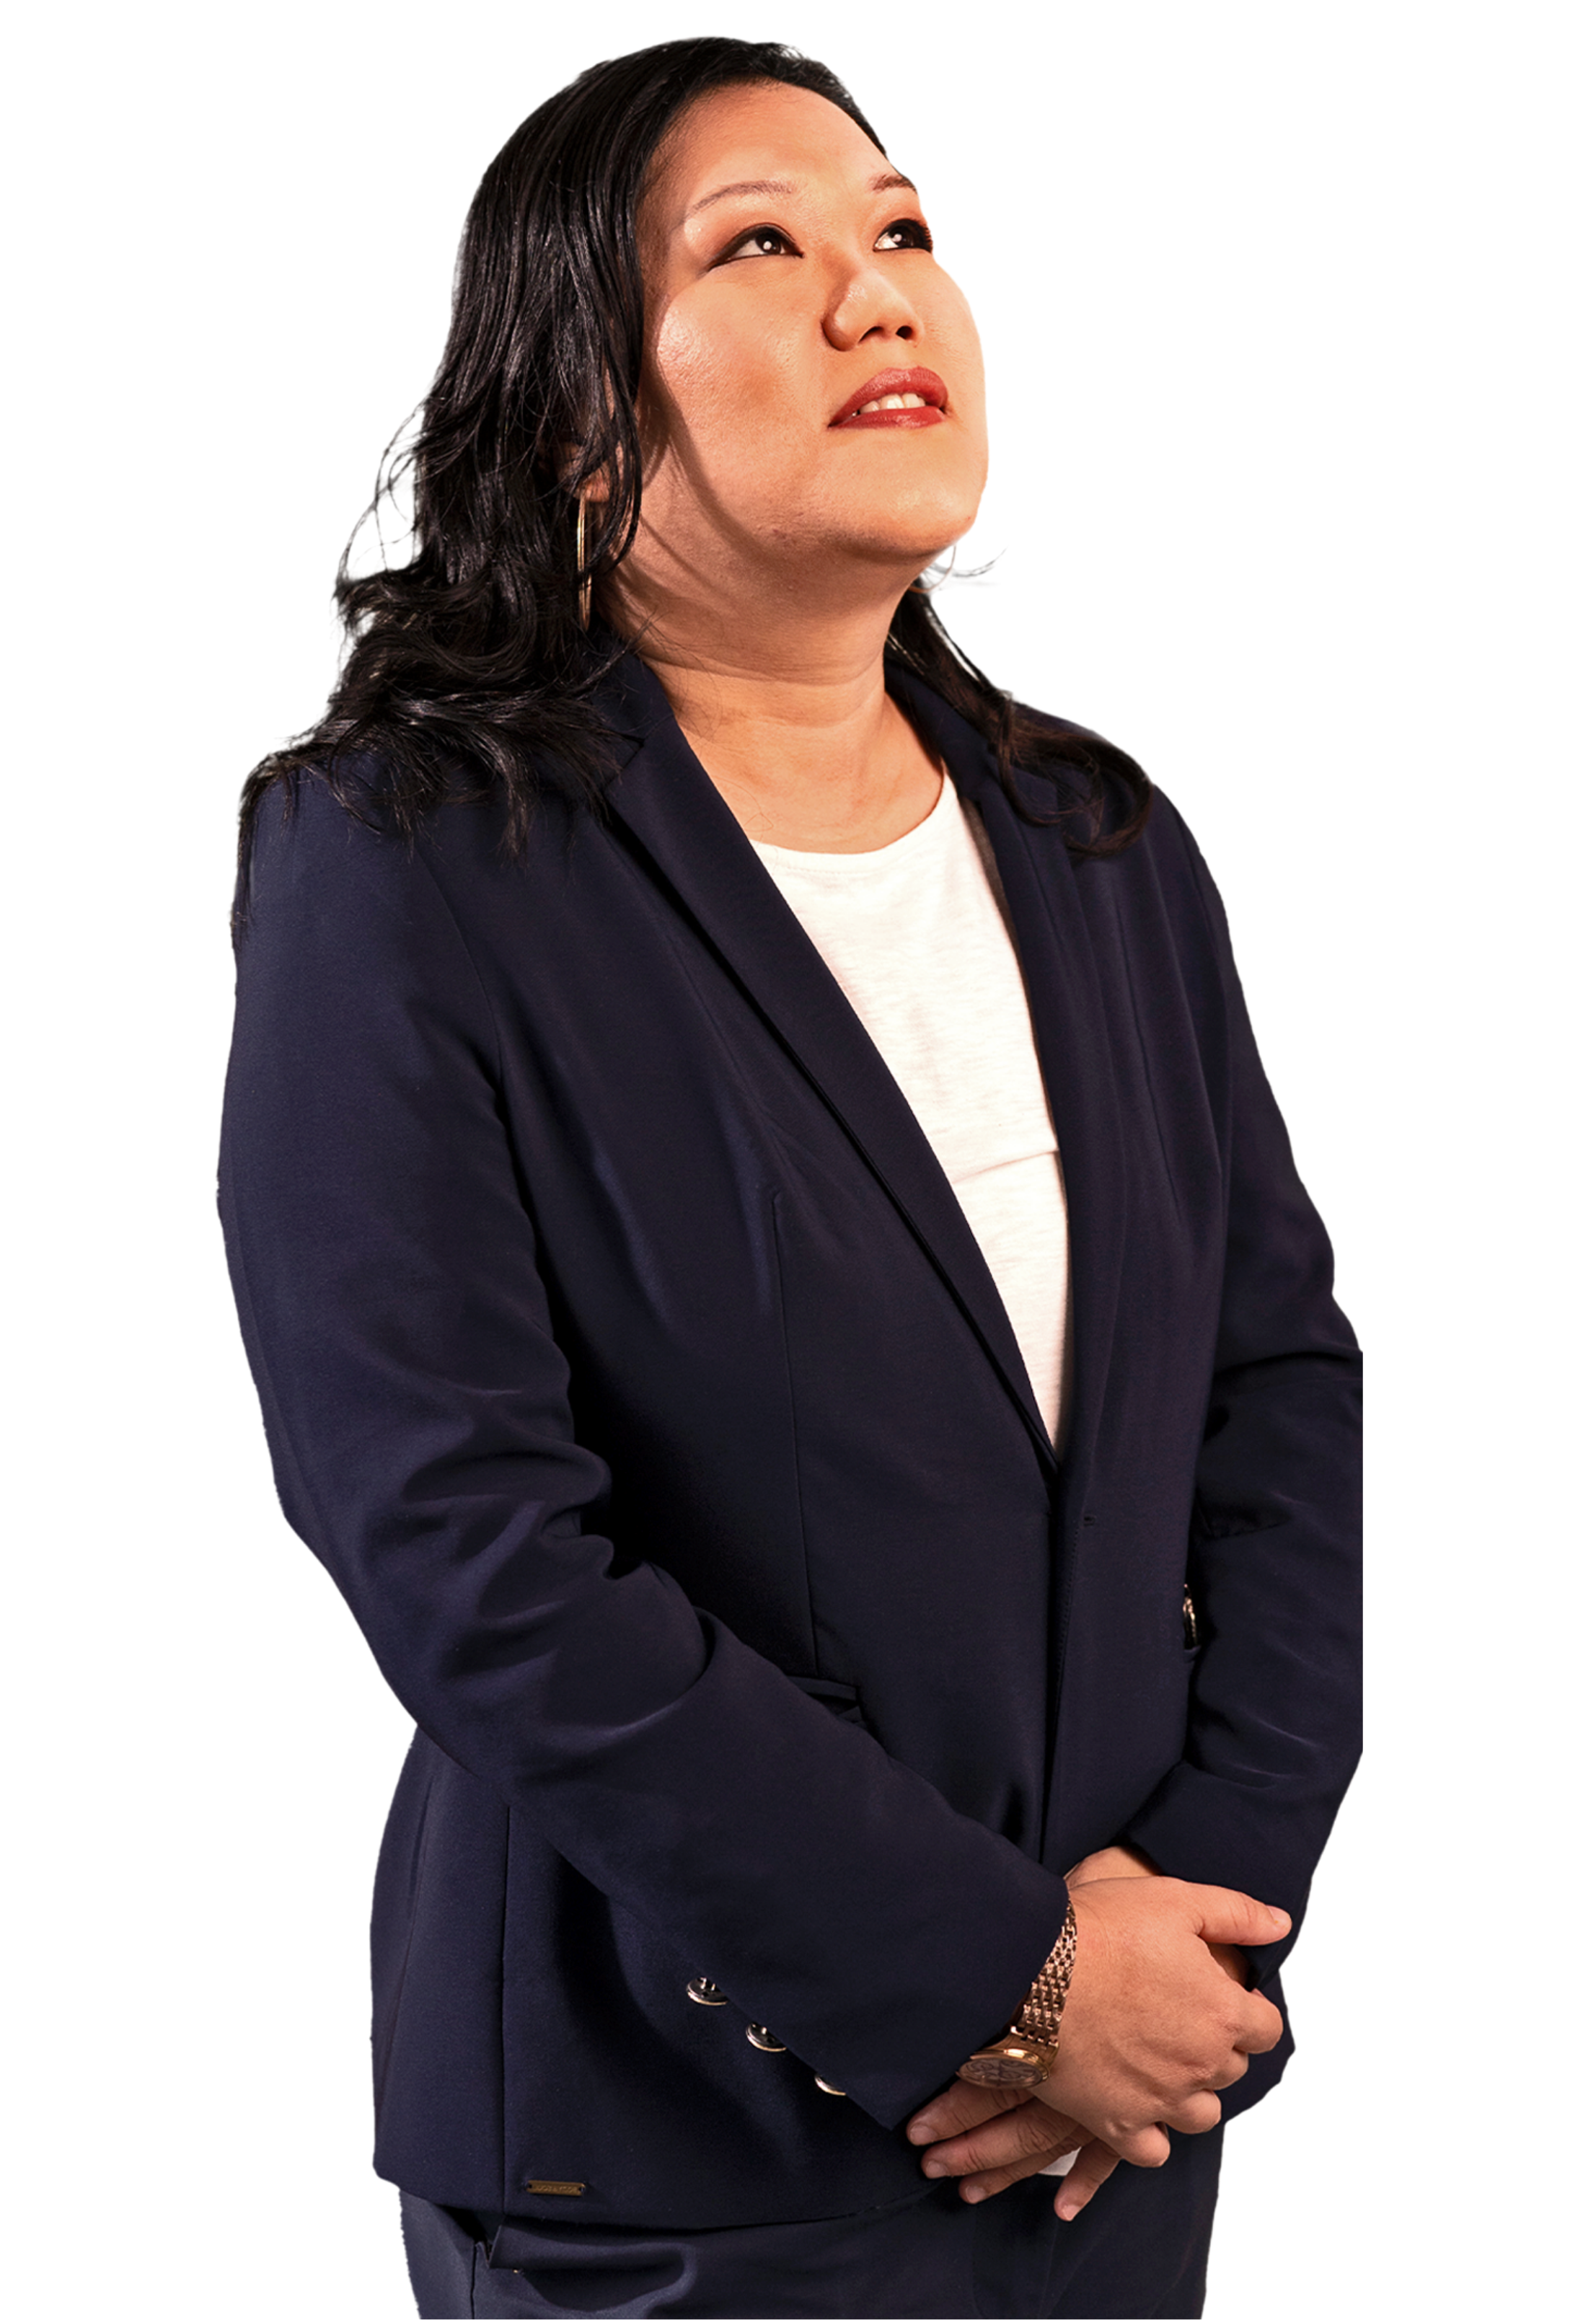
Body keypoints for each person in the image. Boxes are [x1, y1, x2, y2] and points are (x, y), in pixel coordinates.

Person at [218, 33, 1361, 2320]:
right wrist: (990, 1974)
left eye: (902, 227)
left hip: (1113, 2127)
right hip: (676, 2147)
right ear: (572, 414)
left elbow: (1271, 1391)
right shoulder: (410, 854)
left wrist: (1199, 1927)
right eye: (759, 244)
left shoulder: (1096, 838)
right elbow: (457, 1537)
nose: (875, 289)